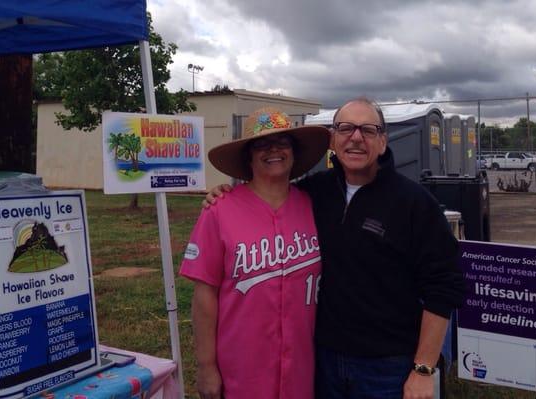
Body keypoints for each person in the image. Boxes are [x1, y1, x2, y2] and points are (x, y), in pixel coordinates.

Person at [205, 98, 465, 399]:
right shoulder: (312, 194)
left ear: (382, 142)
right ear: (333, 140)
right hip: (322, 361)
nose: (356, 137)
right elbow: (267, 191)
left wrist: (423, 369)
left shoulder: (415, 204)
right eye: (345, 128)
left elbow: (444, 287)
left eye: (368, 130)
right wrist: (224, 195)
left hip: (387, 367)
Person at [180, 107, 330, 399]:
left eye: (282, 142)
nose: (273, 150)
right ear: (248, 156)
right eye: (261, 144)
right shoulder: (220, 210)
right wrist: (206, 365)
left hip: (303, 367)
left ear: (294, 152)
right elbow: (204, 295)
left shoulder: (313, 206)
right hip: (242, 369)